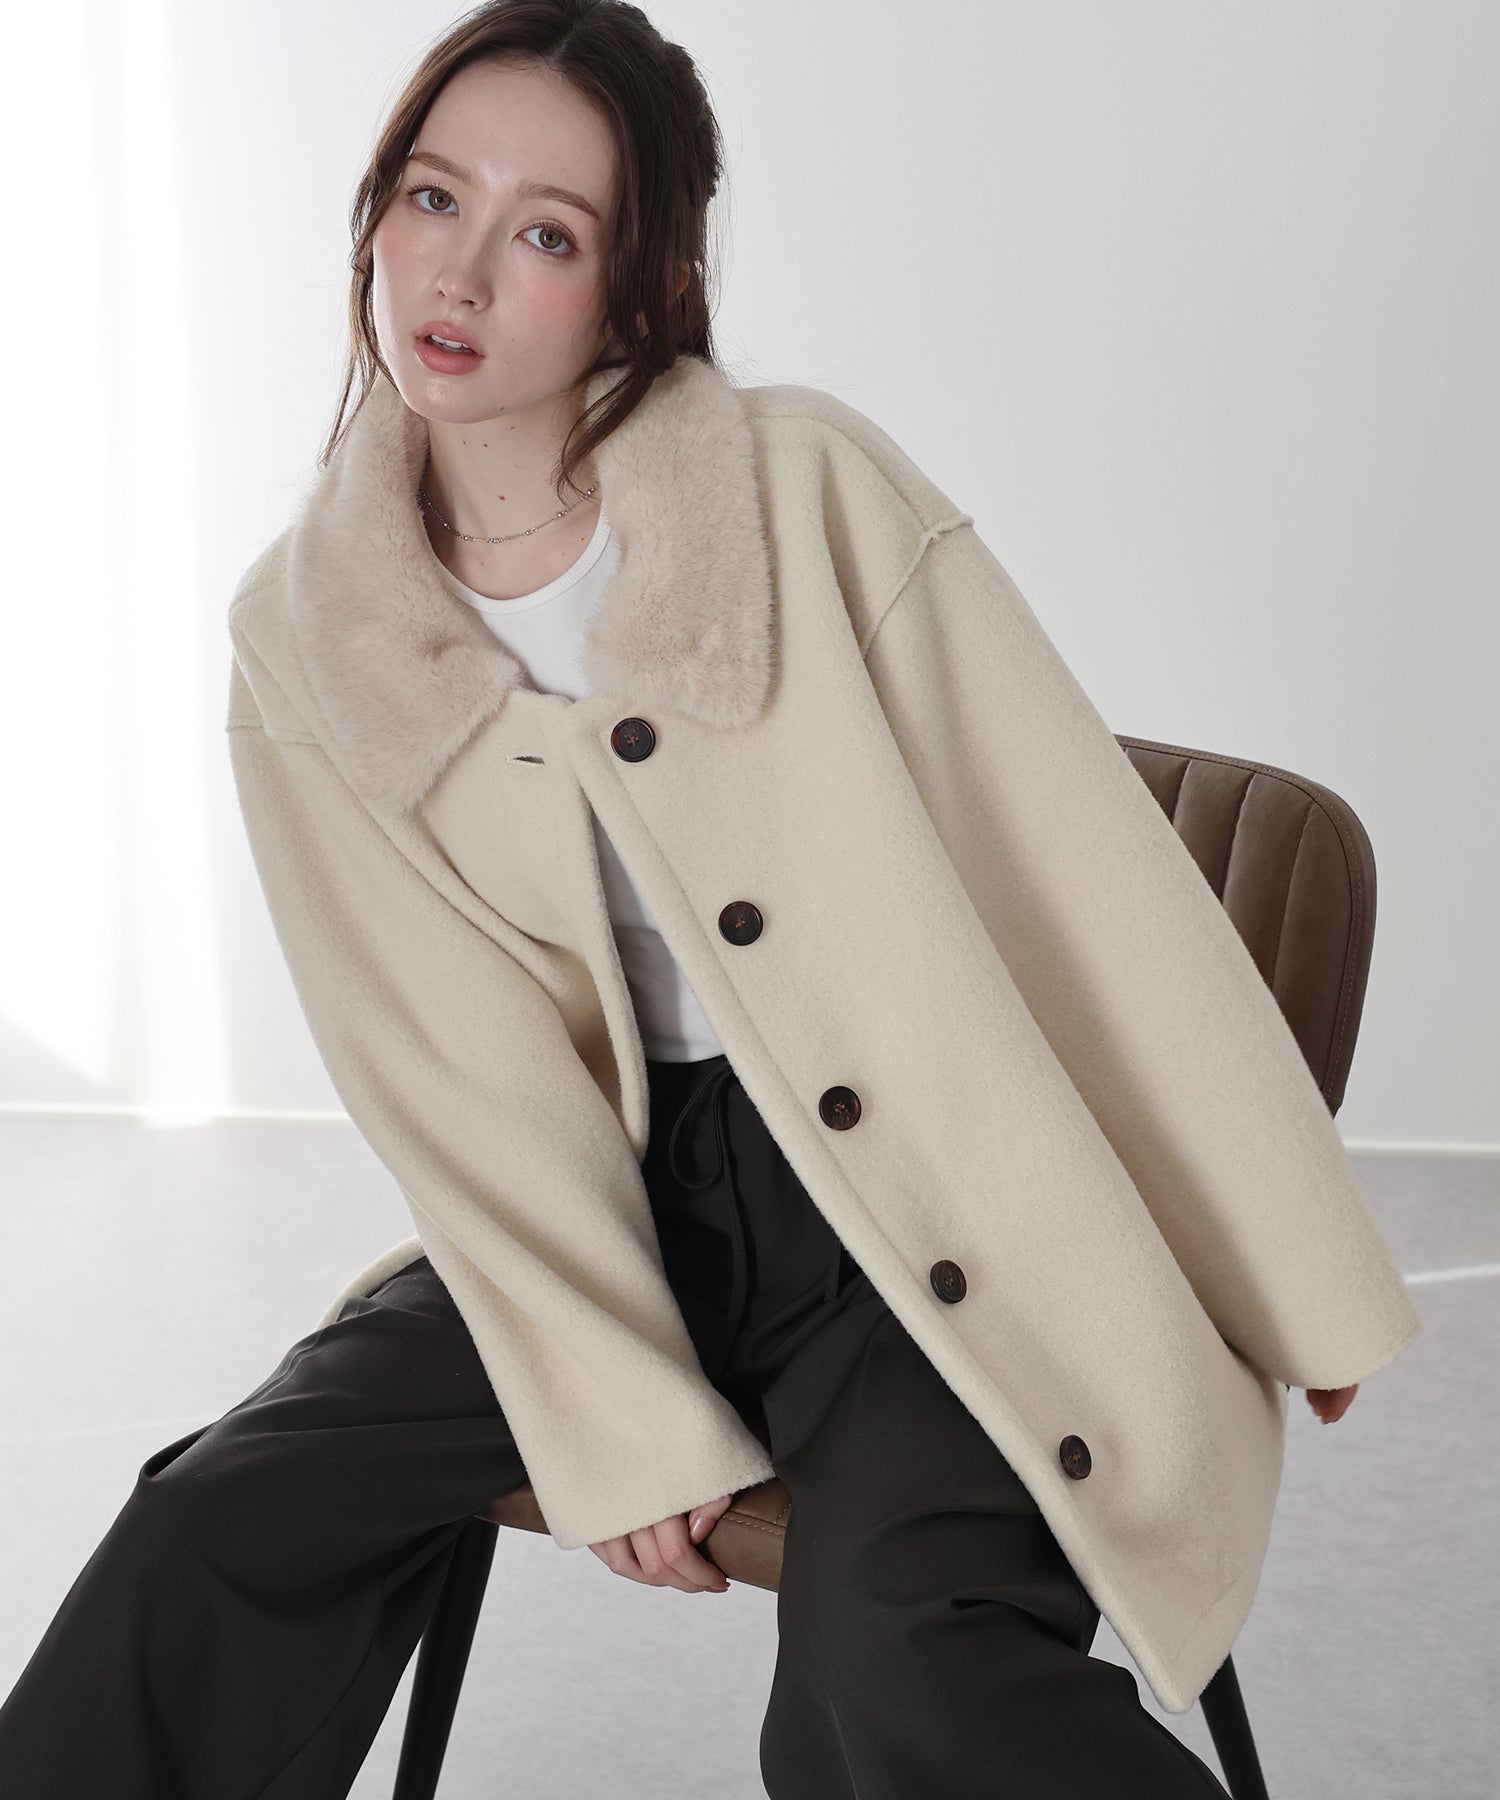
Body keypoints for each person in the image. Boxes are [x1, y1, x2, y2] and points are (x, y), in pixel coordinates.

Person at [0, 3, 1418, 1796]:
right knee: (219, 1520)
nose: (459, 273)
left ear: (637, 285)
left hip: (926, 1186)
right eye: (431, 198)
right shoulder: (310, 634)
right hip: (596, 1208)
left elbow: (1083, 888)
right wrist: (616, 1404)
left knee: (898, 1648)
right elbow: (451, 1077)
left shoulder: (800, 488)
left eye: (545, 233)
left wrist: (1292, 1261)